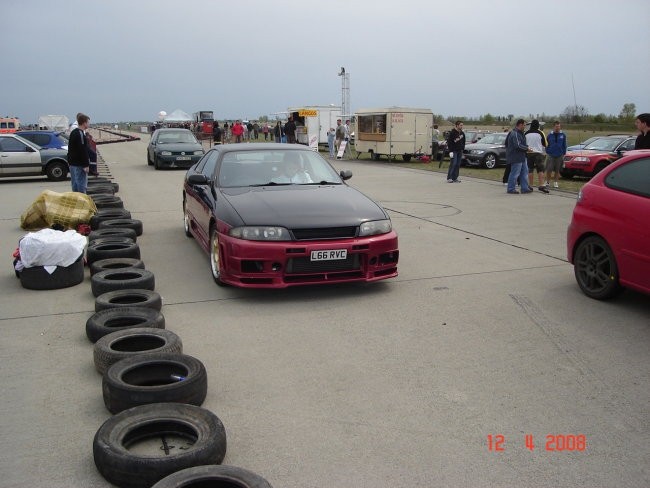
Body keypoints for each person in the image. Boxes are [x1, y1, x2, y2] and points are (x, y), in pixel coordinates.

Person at [506, 119, 532, 194]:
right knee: (515, 173)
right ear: (520, 125)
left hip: (522, 156)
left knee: (524, 172)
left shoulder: (521, 133)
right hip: (516, 157)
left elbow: (522, 144)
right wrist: (527, 148)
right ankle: (511, 188)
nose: (525, 127)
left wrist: (527, 147)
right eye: (524, 125)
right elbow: (517, 145)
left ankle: (524, 188)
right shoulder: (515, 133)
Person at [67, 113, 91, 193]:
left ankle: (76, 201)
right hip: (79, 165)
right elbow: (82, 150)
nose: (89, 124)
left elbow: (70, 148)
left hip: (72, 164)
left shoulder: (73, 132)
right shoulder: (80, 134)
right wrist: (86, 165)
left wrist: (69, 161)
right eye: (88, 122)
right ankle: (82, 202)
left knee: (75, 185)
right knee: (81, 185)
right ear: (84, 123)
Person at [525, 120, 548, 193]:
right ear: (538, 125)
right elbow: (545, 144)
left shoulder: (526, 133)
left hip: (529, 153)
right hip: (538, 153)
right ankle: (541, 185)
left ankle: (530, 186)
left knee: (530, 169)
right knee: (540, 170)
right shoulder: (540, 133)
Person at [544, 120, 567, 189]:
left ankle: (555, 182)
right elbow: (546, 144)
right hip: (551, 155)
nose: (558, 128)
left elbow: (564, 145)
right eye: (556, 126)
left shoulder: (563, 135)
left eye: (559, 126)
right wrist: (548, 151)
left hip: (559, 155)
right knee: (549, 169)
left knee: (557, 169)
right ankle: (547, 182)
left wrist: (563, 153)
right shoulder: (550, 135)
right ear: (553, 127)